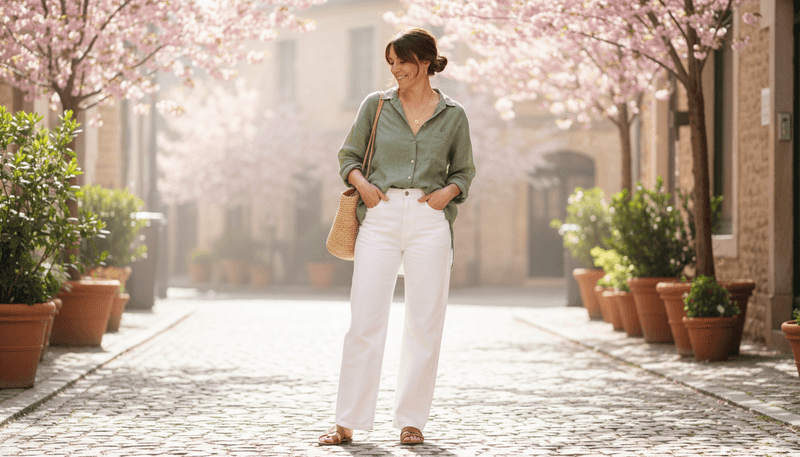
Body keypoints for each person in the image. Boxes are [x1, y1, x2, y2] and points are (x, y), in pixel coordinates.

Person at [318, 27, 475, 446]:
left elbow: (464, 172)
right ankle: (347, 420)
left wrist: (447, 193)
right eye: (390, 63)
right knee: (365, 319)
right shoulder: (376, 105)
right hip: (381, 217)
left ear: (424, 62)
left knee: (425, 321)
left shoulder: (453, 114)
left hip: (429, 220)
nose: (395, 70)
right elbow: (348, 156)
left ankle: (412, 420)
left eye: (401, 62)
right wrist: (364, 186)